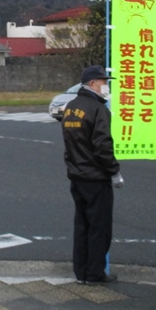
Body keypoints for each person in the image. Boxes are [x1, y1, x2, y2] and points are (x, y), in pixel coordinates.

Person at [61, 65, 124, 286]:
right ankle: (95, 274)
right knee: (99, 228)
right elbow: (102, 146)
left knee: (82, 226)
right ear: (92, 84)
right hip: (96, 178)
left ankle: (81, 273)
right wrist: (114, 172)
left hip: (76, 176)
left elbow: (71, 143)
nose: (106, 86)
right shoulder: (98, 109)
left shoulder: (70, 108)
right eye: (104, 82)